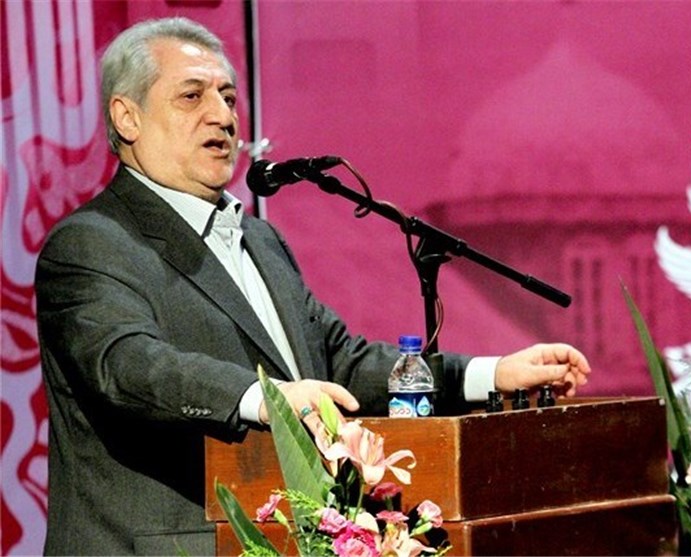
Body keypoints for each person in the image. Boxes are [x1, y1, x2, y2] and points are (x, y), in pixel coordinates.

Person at [35, 17, 591, 556]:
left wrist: (490, 374)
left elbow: (340, 365)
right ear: (127, 118)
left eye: (228, 98)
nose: (222, 117)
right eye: (192, 96)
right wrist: (269, 401)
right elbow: (128, 366)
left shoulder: (261, 241)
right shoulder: (93, 242)